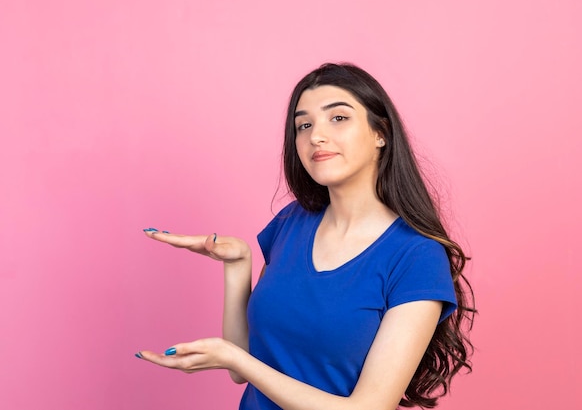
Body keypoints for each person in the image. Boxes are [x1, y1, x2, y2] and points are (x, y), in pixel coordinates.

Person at [136, 63, 475, 410]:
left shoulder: (416, 257)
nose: (315, 136)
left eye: (338, 118)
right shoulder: (291, 223)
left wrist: (237, 360)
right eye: (304, 125)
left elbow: (369, 407)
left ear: (381, 134)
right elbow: (244, 366)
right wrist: (238, 266)